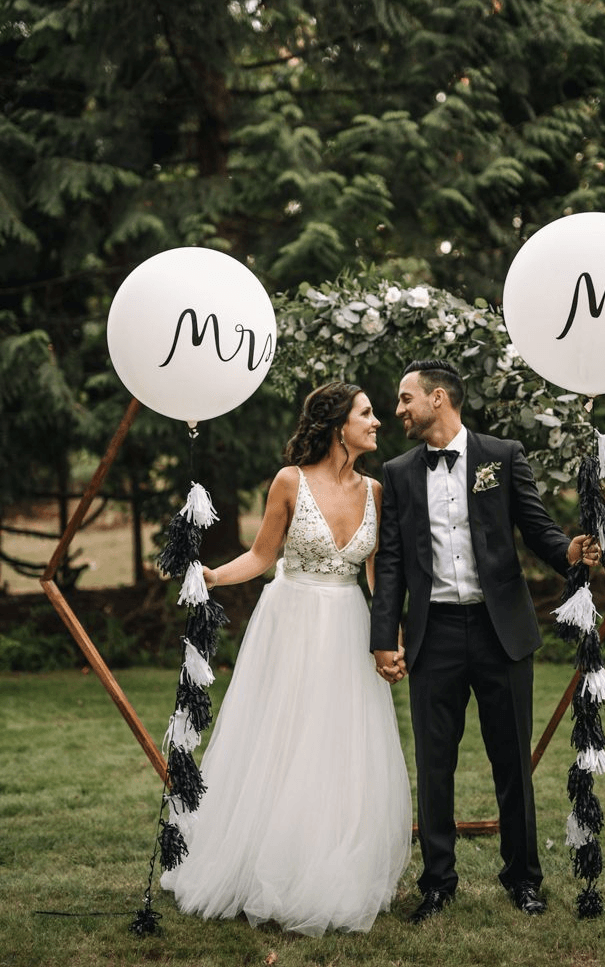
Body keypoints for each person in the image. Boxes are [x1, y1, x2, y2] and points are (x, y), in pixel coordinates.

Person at [161, 382, 412, 936]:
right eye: (367, 414)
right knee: (285, 738)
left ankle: (334, 866)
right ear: (337, 424)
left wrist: (389, 639)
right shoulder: (289, 481)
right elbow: (260, 555)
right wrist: (212, 576)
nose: (377, 423)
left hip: (348, 623)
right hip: (292, 621)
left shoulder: (376, 489)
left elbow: (377, 576)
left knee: (342, 744)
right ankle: (266, 866)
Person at [369, 359, 600, 924]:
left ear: (438, 398)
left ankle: (522, 878)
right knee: (434, 763)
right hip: (434, 633)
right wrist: (383, 636)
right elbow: (392, 562)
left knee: (511, 763)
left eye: (405, 399)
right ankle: (438, 882)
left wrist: (568, 552)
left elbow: (537, 526)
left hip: (502, 633)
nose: (397, 410)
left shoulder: (503, 455)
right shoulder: (398, 473)